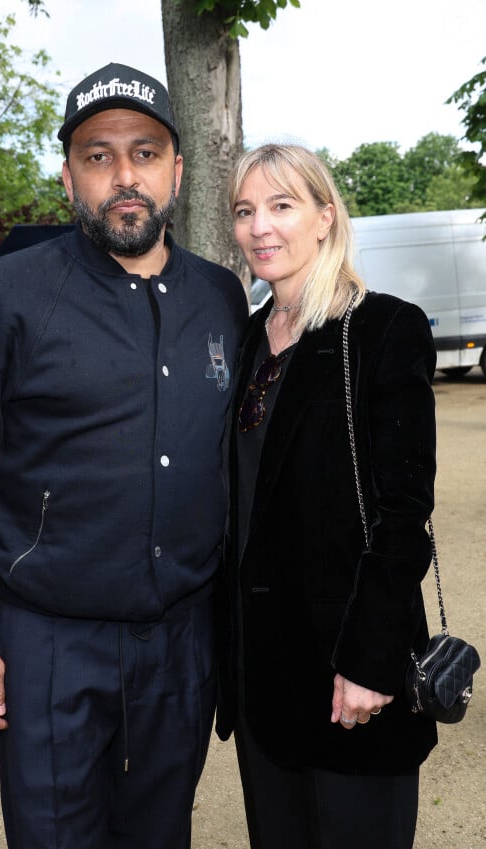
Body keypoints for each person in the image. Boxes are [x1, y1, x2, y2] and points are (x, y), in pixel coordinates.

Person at [0, 62, 248, 849]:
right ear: (69, 178)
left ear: (177, 170)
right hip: (48, 643)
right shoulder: (4, 298)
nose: (125, 175)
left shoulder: (220, 299)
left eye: (145, 152)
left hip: (182, 641)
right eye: (99, 156)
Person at [215, 143, 438, 849]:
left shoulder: (381, 330)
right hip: (263, 683)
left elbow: (405, 517)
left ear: (324, 216)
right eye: (246, 211)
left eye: (281, 205)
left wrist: (371, 662)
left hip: (352, 679)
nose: (260, 228)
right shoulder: (248, 340)